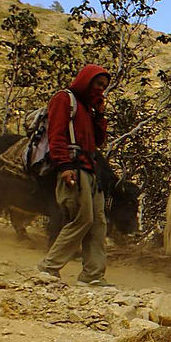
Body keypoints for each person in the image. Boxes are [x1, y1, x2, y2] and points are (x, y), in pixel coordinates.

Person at [37, 64, 112, 286]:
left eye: (104, 87)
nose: (100, 89)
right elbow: (56, 134)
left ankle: (92, 275)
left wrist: (99, 114)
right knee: (82, 218)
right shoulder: (64, 99)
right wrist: (64, 166)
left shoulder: (88, 108)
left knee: (98, 223)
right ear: (86, 80)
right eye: (98, 84)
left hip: (90, 171)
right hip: (74, 168)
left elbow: (98, 141)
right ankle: (48, 267)